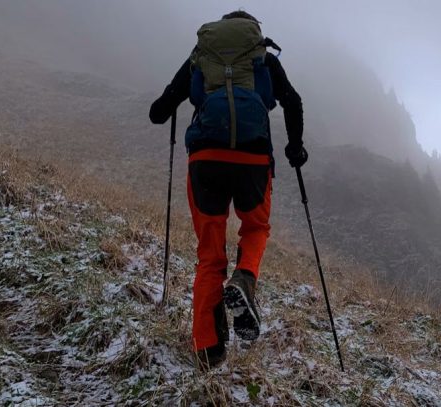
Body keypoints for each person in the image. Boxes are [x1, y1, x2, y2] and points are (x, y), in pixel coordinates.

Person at [148, 10, 307, 370]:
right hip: (253, 160)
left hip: (205, 158)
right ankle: (245, 279)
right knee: (256, 228)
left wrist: (170, 106)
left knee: (209, 256)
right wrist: (294, 149)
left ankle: (208, 350)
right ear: (252, 31)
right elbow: (293, 102)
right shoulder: (262, 57)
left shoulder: (201, 55)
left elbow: (159, 111)